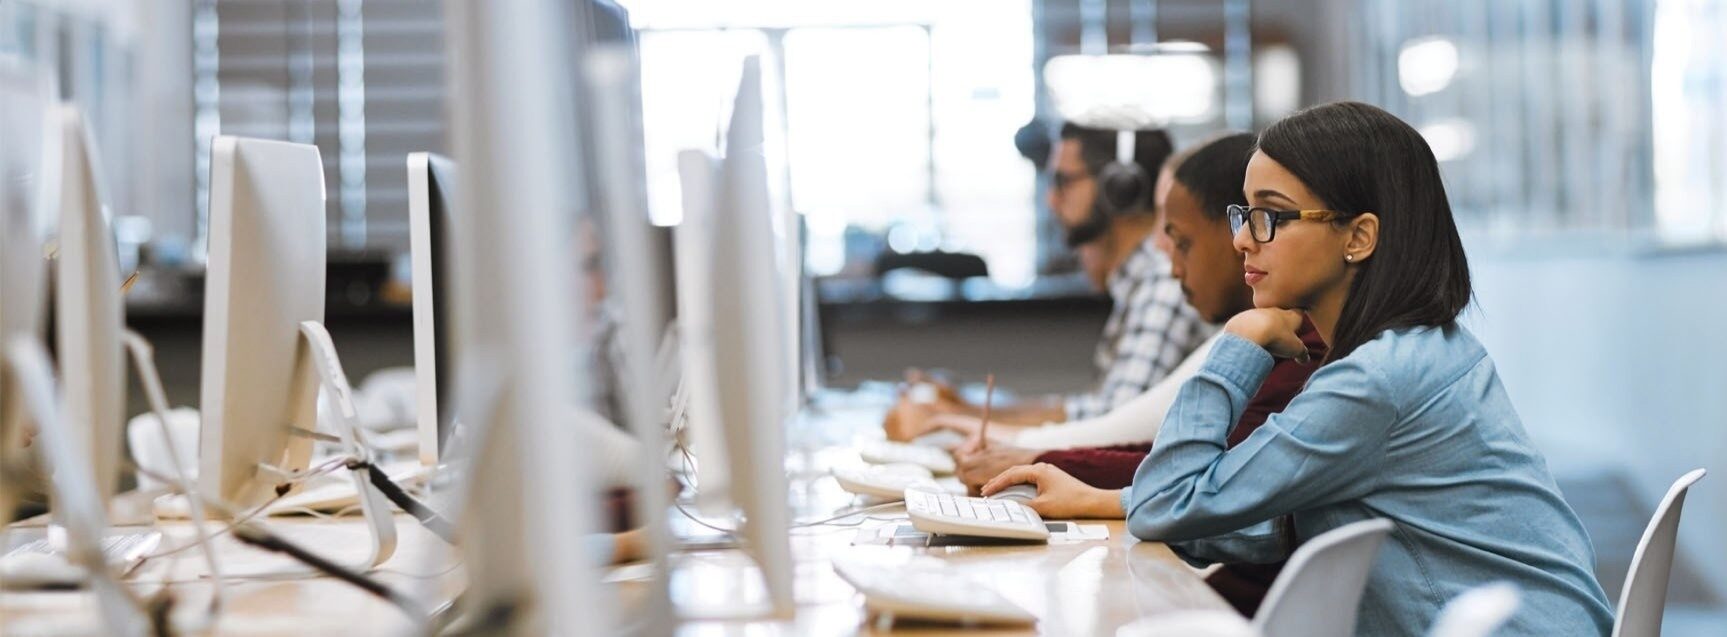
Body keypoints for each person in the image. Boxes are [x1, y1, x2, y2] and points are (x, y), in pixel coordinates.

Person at [983, 102, 1613, 634]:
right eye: (1243, 213)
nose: (1242, 239)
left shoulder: (1374, 382)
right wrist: (1107, 500)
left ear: (1358, 237)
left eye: (1272, 216)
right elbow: (1299, 523)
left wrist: (1241, 340)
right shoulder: (1417, 349)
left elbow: (1170, 502)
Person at [884, 124, 1212, 438]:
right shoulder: (1139, 282)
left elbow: (1110, 424)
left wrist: (958, 418)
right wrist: (966, 409)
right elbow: (1093, 413)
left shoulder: (1163, 282)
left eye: (1063, 181)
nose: (1051, 200)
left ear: (1119, 188)